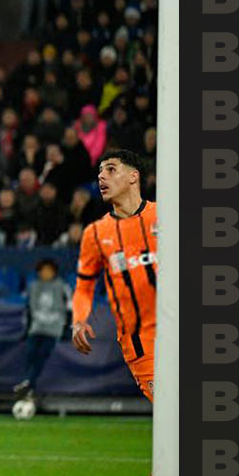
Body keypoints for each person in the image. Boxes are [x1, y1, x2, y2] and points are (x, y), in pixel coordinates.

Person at [71, 150, 158, 408]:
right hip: (140, 343)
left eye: (110, 169)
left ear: (134, 176)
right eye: (99, 171)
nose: (101, 176)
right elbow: (84, 287)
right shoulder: (96, 234)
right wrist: (78, 321)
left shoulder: (167, 216)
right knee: (173, 411)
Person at [17, 258, 71, 402]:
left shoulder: (62, 286)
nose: (45, 273)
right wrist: (27, 328)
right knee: (30, 353)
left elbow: (70, 307)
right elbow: (29, 309)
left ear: (54, 272)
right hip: (36, 328)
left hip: (54, 329)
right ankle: (28, 384)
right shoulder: (34, 286)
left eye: (48, 270)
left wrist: (67, 329)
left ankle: (29, 383)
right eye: (43, 270)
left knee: (42, 354)